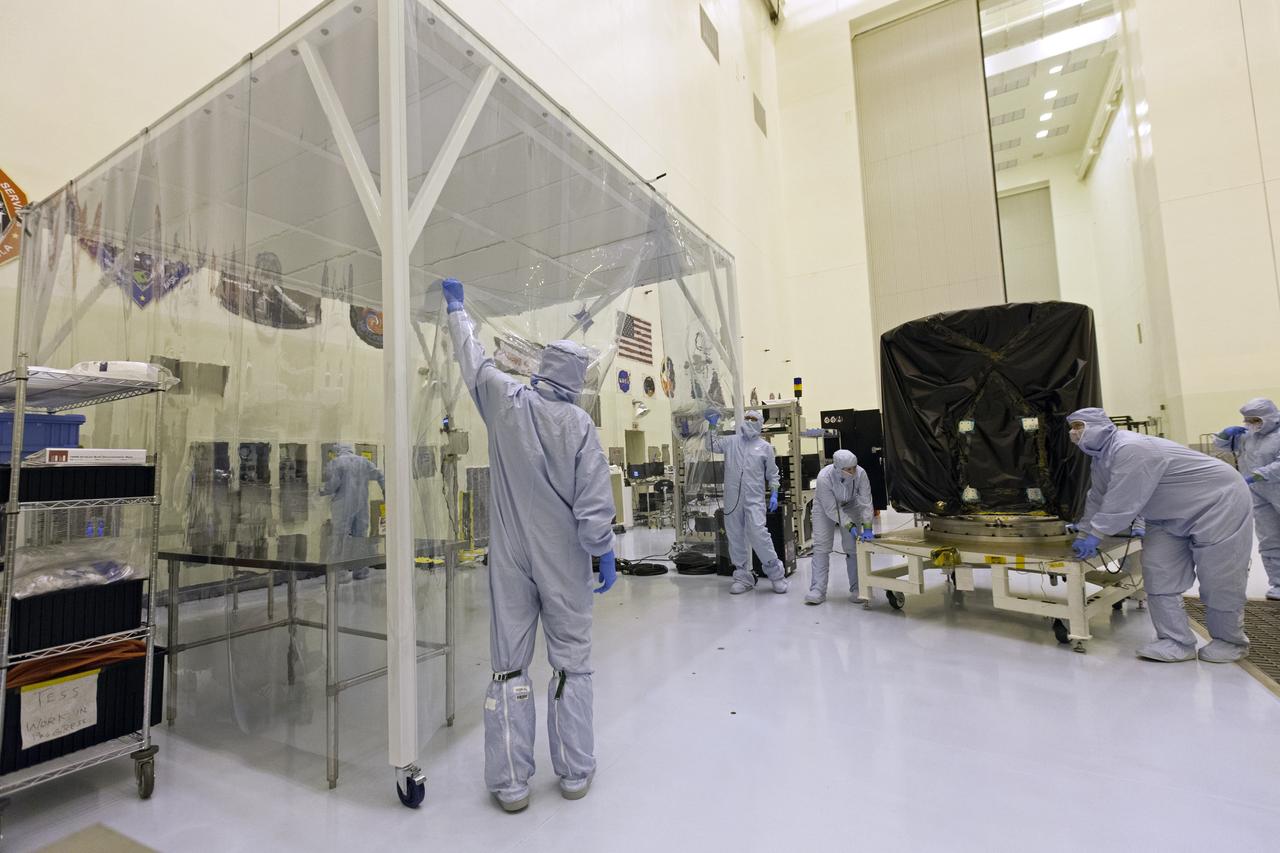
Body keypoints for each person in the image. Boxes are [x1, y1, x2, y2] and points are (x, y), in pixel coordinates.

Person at [443, 277, 616, 813]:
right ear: (577, 380)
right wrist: (602, 549)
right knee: (571, 663)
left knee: (508, 666)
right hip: (564, 563)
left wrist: (457, 311)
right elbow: (592, 504)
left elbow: (473, 363)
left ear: (541, 370)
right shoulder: (580, 426)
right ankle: (574, 772)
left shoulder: (506, 402)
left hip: (511, 562)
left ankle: (512, 782)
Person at [1066, 408, 1252, 663]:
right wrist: (1086, 531)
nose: (1074, 433)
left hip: (1217, 502)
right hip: (1165, 515)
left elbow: (1123, 499)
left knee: (1220, 575)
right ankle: (1175, 641)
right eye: (1072, 428)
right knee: (1158, 572)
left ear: (1100, 425)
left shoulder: (1130, 447)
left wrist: (1096, 534)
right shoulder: (1101, 458)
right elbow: (1098, 496)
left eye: (1079, 426)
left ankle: (1229, 641)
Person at [705, 408, 788, 594]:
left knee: (759, 533)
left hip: (754, 498)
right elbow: (711, 445)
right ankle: (743, 576)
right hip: (733, 498)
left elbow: (773, 474)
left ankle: (776, 574)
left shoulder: (765, 447)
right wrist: (712, 425)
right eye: (747, 418)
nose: (749, 421)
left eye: (754, 418)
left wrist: (774, 493)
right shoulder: (731, 441)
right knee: (735, 536)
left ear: (760, 424)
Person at [1215, 398, 1280, 601]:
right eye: (1248, 420)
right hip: (1258, 492)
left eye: (1255, 419)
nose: (1251, 423)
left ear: (1269, 417)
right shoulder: (1248, 436)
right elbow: (1223, 446)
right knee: (1269, 538)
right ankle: (1278, 583)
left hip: (1274, 485)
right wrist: (1225, 435)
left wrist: (1259, 474)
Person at [805, 449, 874, 605]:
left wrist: (867, 526)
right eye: (848, 469)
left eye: (854, 467)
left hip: (851, 504)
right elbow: (831, 509)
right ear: (837, 468)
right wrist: (849, 525)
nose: (852, 471)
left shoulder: (861, 474)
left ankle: (857, 588)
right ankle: (818, 589)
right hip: (824, 507)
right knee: (822, 546)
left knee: (853, 547)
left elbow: (865, 500)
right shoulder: (824, 477)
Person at [319, 443, 384, 582]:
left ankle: (340, 573)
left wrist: (320, 490)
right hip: (361, 505)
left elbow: (332, 485)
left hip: (343, 505)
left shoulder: (336, 462)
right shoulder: (364, 462)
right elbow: (380, 475)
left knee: (340, 537)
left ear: (338, 451)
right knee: (360, 537)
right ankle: (360, 570)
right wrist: (386, 491)